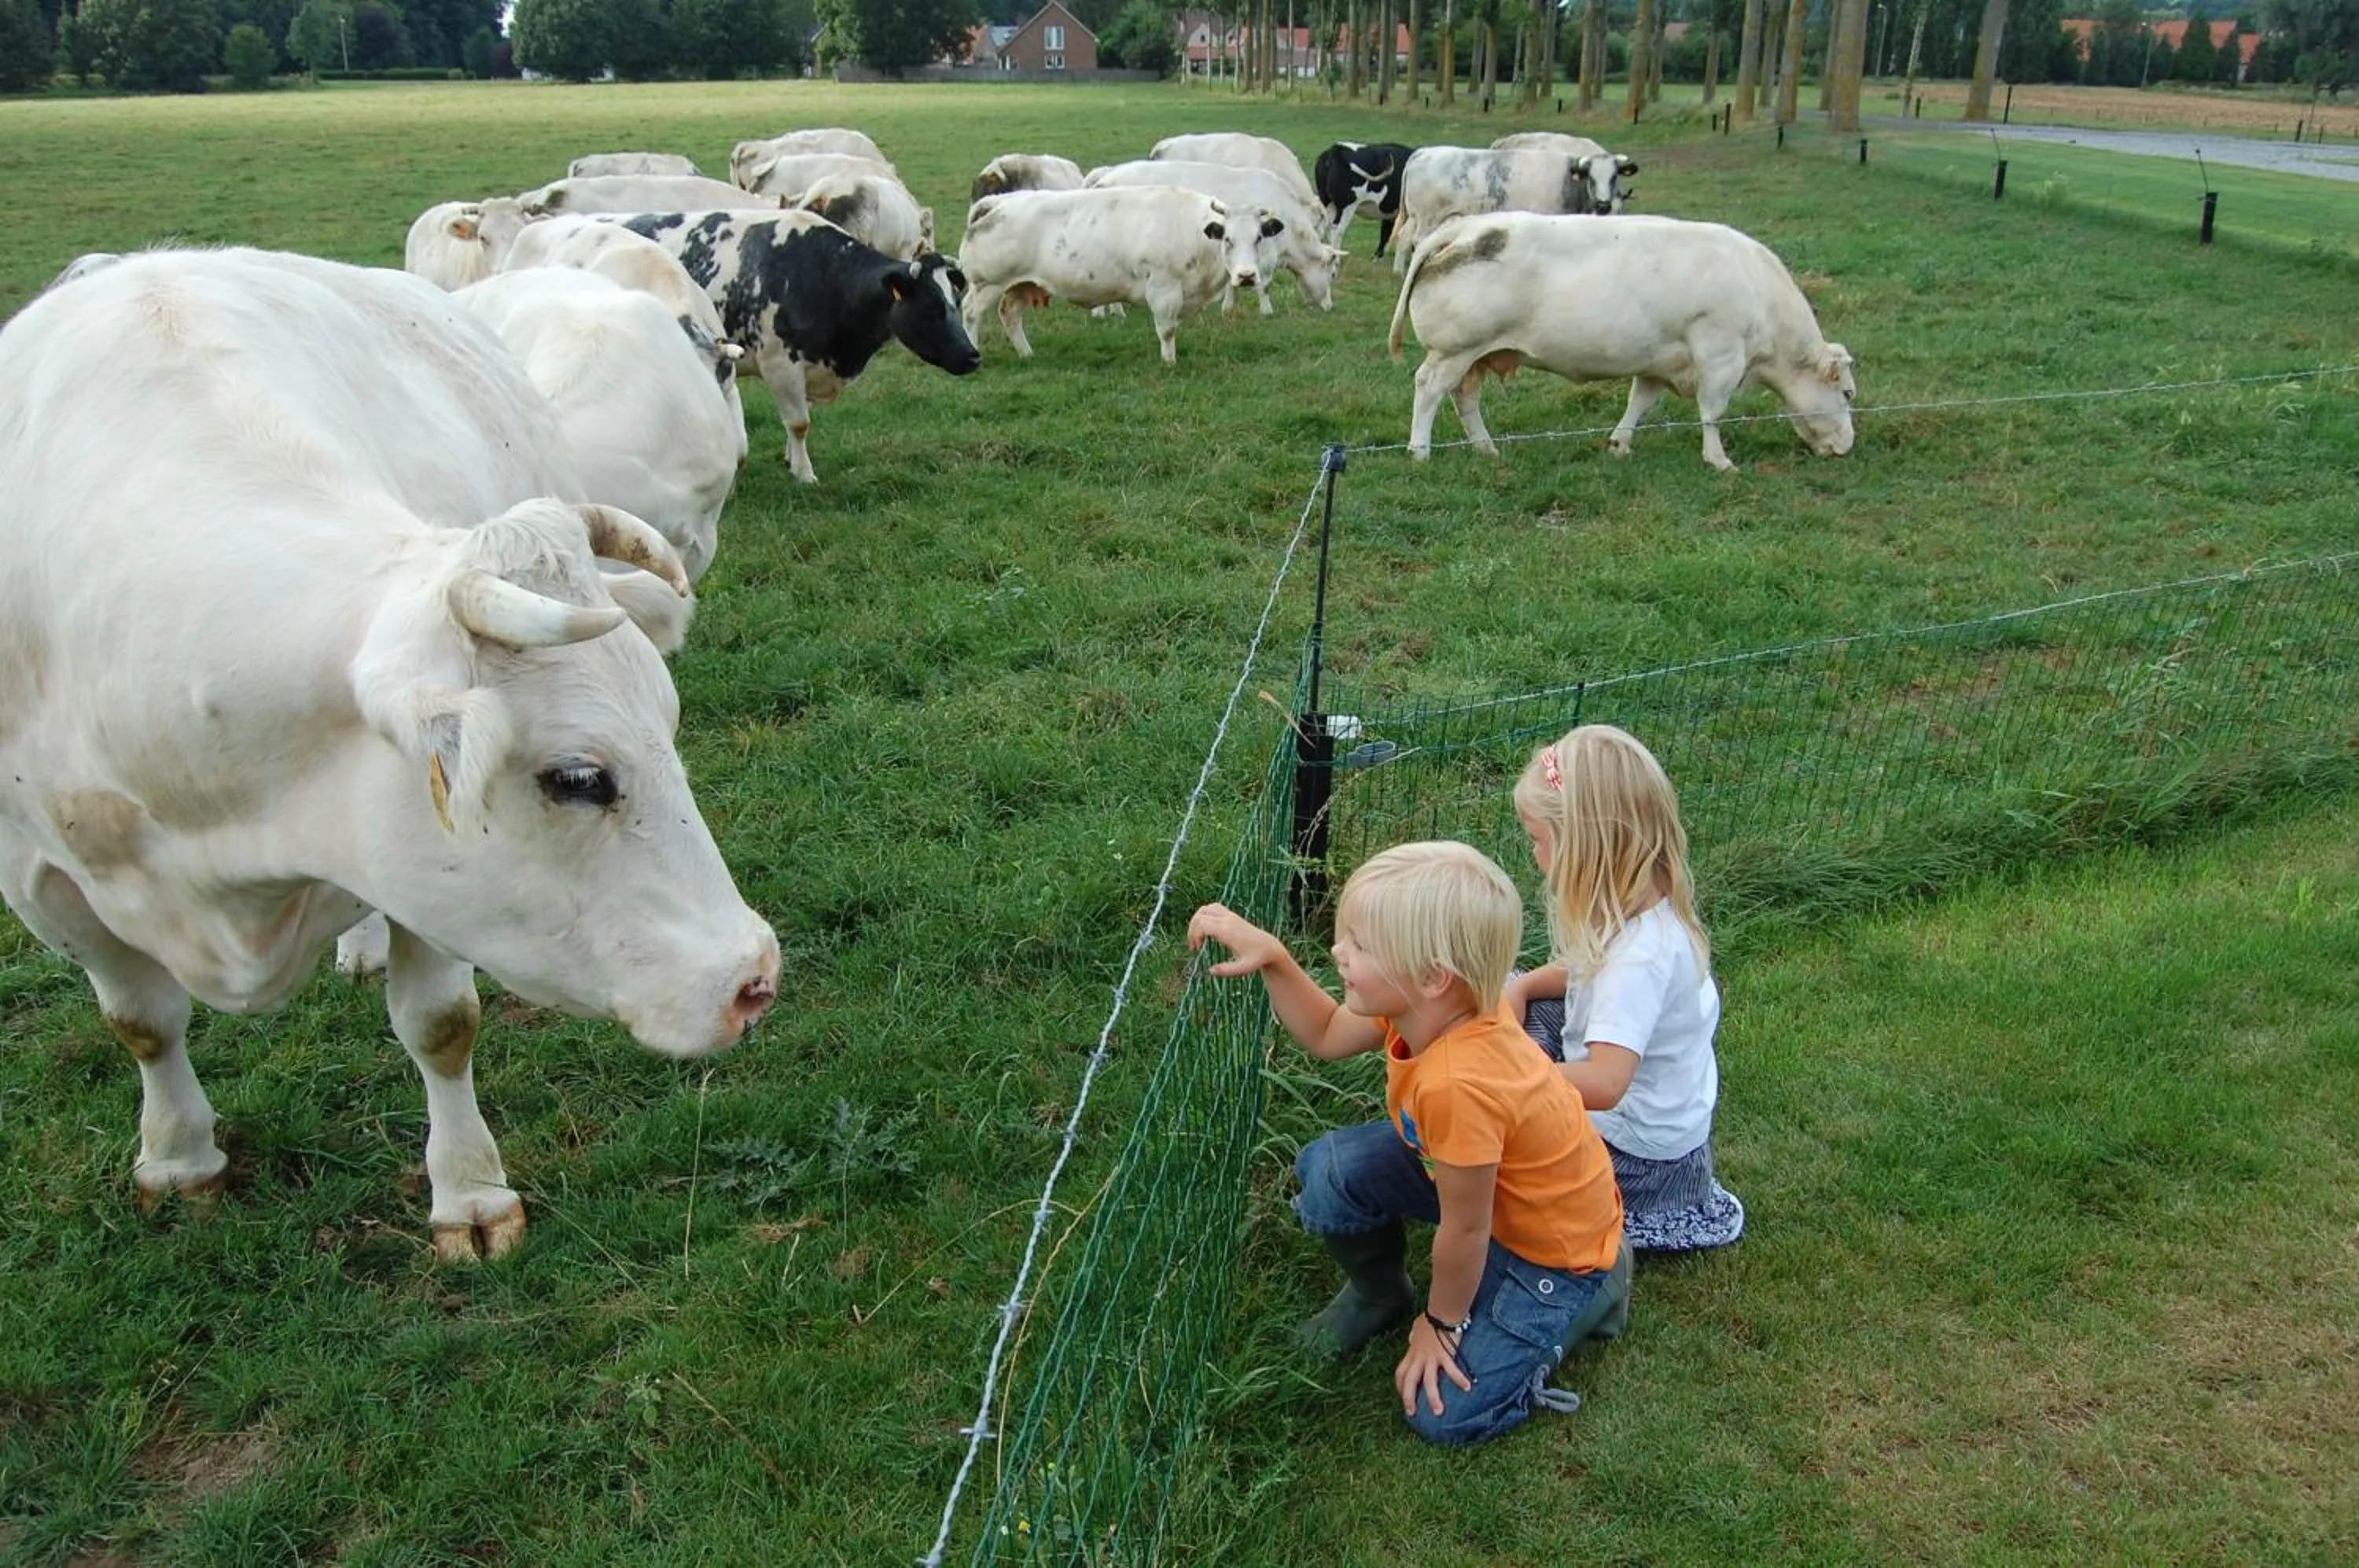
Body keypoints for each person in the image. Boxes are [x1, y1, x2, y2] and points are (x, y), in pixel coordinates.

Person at [1188, 840, 1628, 1445]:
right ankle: (1380, 1295)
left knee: (1446, 1414)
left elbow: (1464, 1230)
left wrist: (1441, 1322)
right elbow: (1322, 1032)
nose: (1339, 952)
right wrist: (1274, 959)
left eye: (1361, 945)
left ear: (1432, 975)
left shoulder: (1459, 1084)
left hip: (1552, 1250)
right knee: (1331, 1169)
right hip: (1490, 1197)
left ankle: (1593, 1295)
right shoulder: (1424, 1005)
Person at [1505, 724, 1745, 1253]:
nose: (1533, 854)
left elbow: (1606, 1081)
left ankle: (1598, 1250)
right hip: (1648, 1114)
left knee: (1508, 1159)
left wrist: (1511, 1077)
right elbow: (1579, 969)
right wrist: (1521, 990)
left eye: (1538, 841)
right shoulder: (1641, 910)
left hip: (1635, 1161)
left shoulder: (1640, 961)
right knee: (1506, 991)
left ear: (1584, 850)